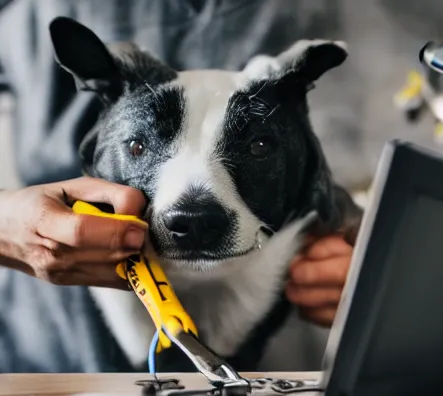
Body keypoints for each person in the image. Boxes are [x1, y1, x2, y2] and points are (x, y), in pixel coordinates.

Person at [0, 0, 354, 372]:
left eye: (259, 147)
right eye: (138, 146)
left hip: (303, 367)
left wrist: (386, 272)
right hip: (42, 360)